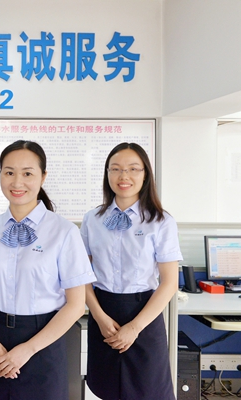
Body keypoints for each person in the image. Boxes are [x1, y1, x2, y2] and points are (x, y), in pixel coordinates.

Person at [0, 140, 96, 400]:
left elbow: (76, 305)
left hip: (43, 342)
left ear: (43, 177)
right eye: (9, 172)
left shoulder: (64, 232)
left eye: (27, 173)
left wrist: (28, 349)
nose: (17, 182)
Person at [81, 142, 181, 400]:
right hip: (103, 313)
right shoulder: (93, 219)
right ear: (107, 174)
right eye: (115, 169)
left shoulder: (160, 221)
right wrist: (99, 317)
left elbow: (169, 283)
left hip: (143, 314)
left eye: (133, 169)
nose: (123, 176)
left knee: (148, 390)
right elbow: (82, 277)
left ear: (145, 174)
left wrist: (135, 327)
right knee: (105, 388)